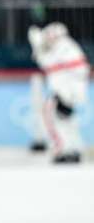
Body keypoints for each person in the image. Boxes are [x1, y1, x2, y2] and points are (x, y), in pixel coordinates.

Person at [28, 22, 90, 163]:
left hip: (65, 93)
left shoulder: (64, 46)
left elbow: (77, 71)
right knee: (66, 121)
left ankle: (62, 149)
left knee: (50, 114)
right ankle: (73, 149)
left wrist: (37, 45)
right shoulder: (62, 47)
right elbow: (49, 65)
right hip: (65, 92)